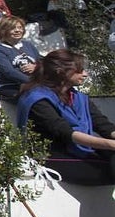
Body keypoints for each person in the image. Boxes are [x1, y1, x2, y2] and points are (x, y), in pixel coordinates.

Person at [18, 49, 115, 186]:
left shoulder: (78, 98)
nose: (85, 74)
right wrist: (110, 144)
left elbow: (103, 125)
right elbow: (64, 132)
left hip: (81, 149)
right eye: (79, 71)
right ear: (61, 72)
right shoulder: (37, 99)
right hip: (53, 155)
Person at [0, 15, 40, 103]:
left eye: (20, 27)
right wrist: (34, 82)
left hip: (35, 84)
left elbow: (42, 61)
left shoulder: (28, 45)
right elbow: (9, 72)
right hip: (12, 87)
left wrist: (36, 67)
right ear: (3, 30)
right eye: (13, 28)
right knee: (36, 100)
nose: (18, 30)